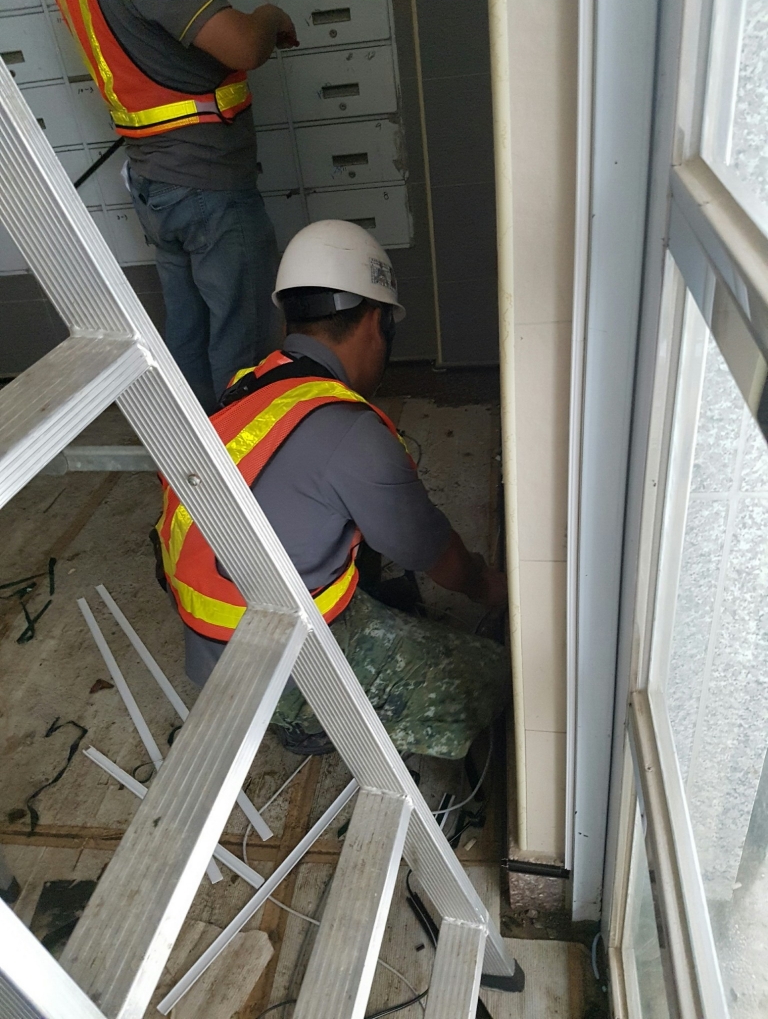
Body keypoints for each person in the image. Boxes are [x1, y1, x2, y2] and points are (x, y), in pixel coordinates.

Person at [155, 221, 510, 759]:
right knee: (488, 679)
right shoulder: (348, 430)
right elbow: (431, 549)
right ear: (376, 322)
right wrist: (487, 586)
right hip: (280, 670)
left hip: (212, 640)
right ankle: (314, 717)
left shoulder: (250, 385)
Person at [55, 0, 298, 414]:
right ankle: (243, 445)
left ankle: (197, 444)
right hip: (206, 181)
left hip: (156, 180)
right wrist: (270, 15)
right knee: (244, 335)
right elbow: (243, 47)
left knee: (190, 329)